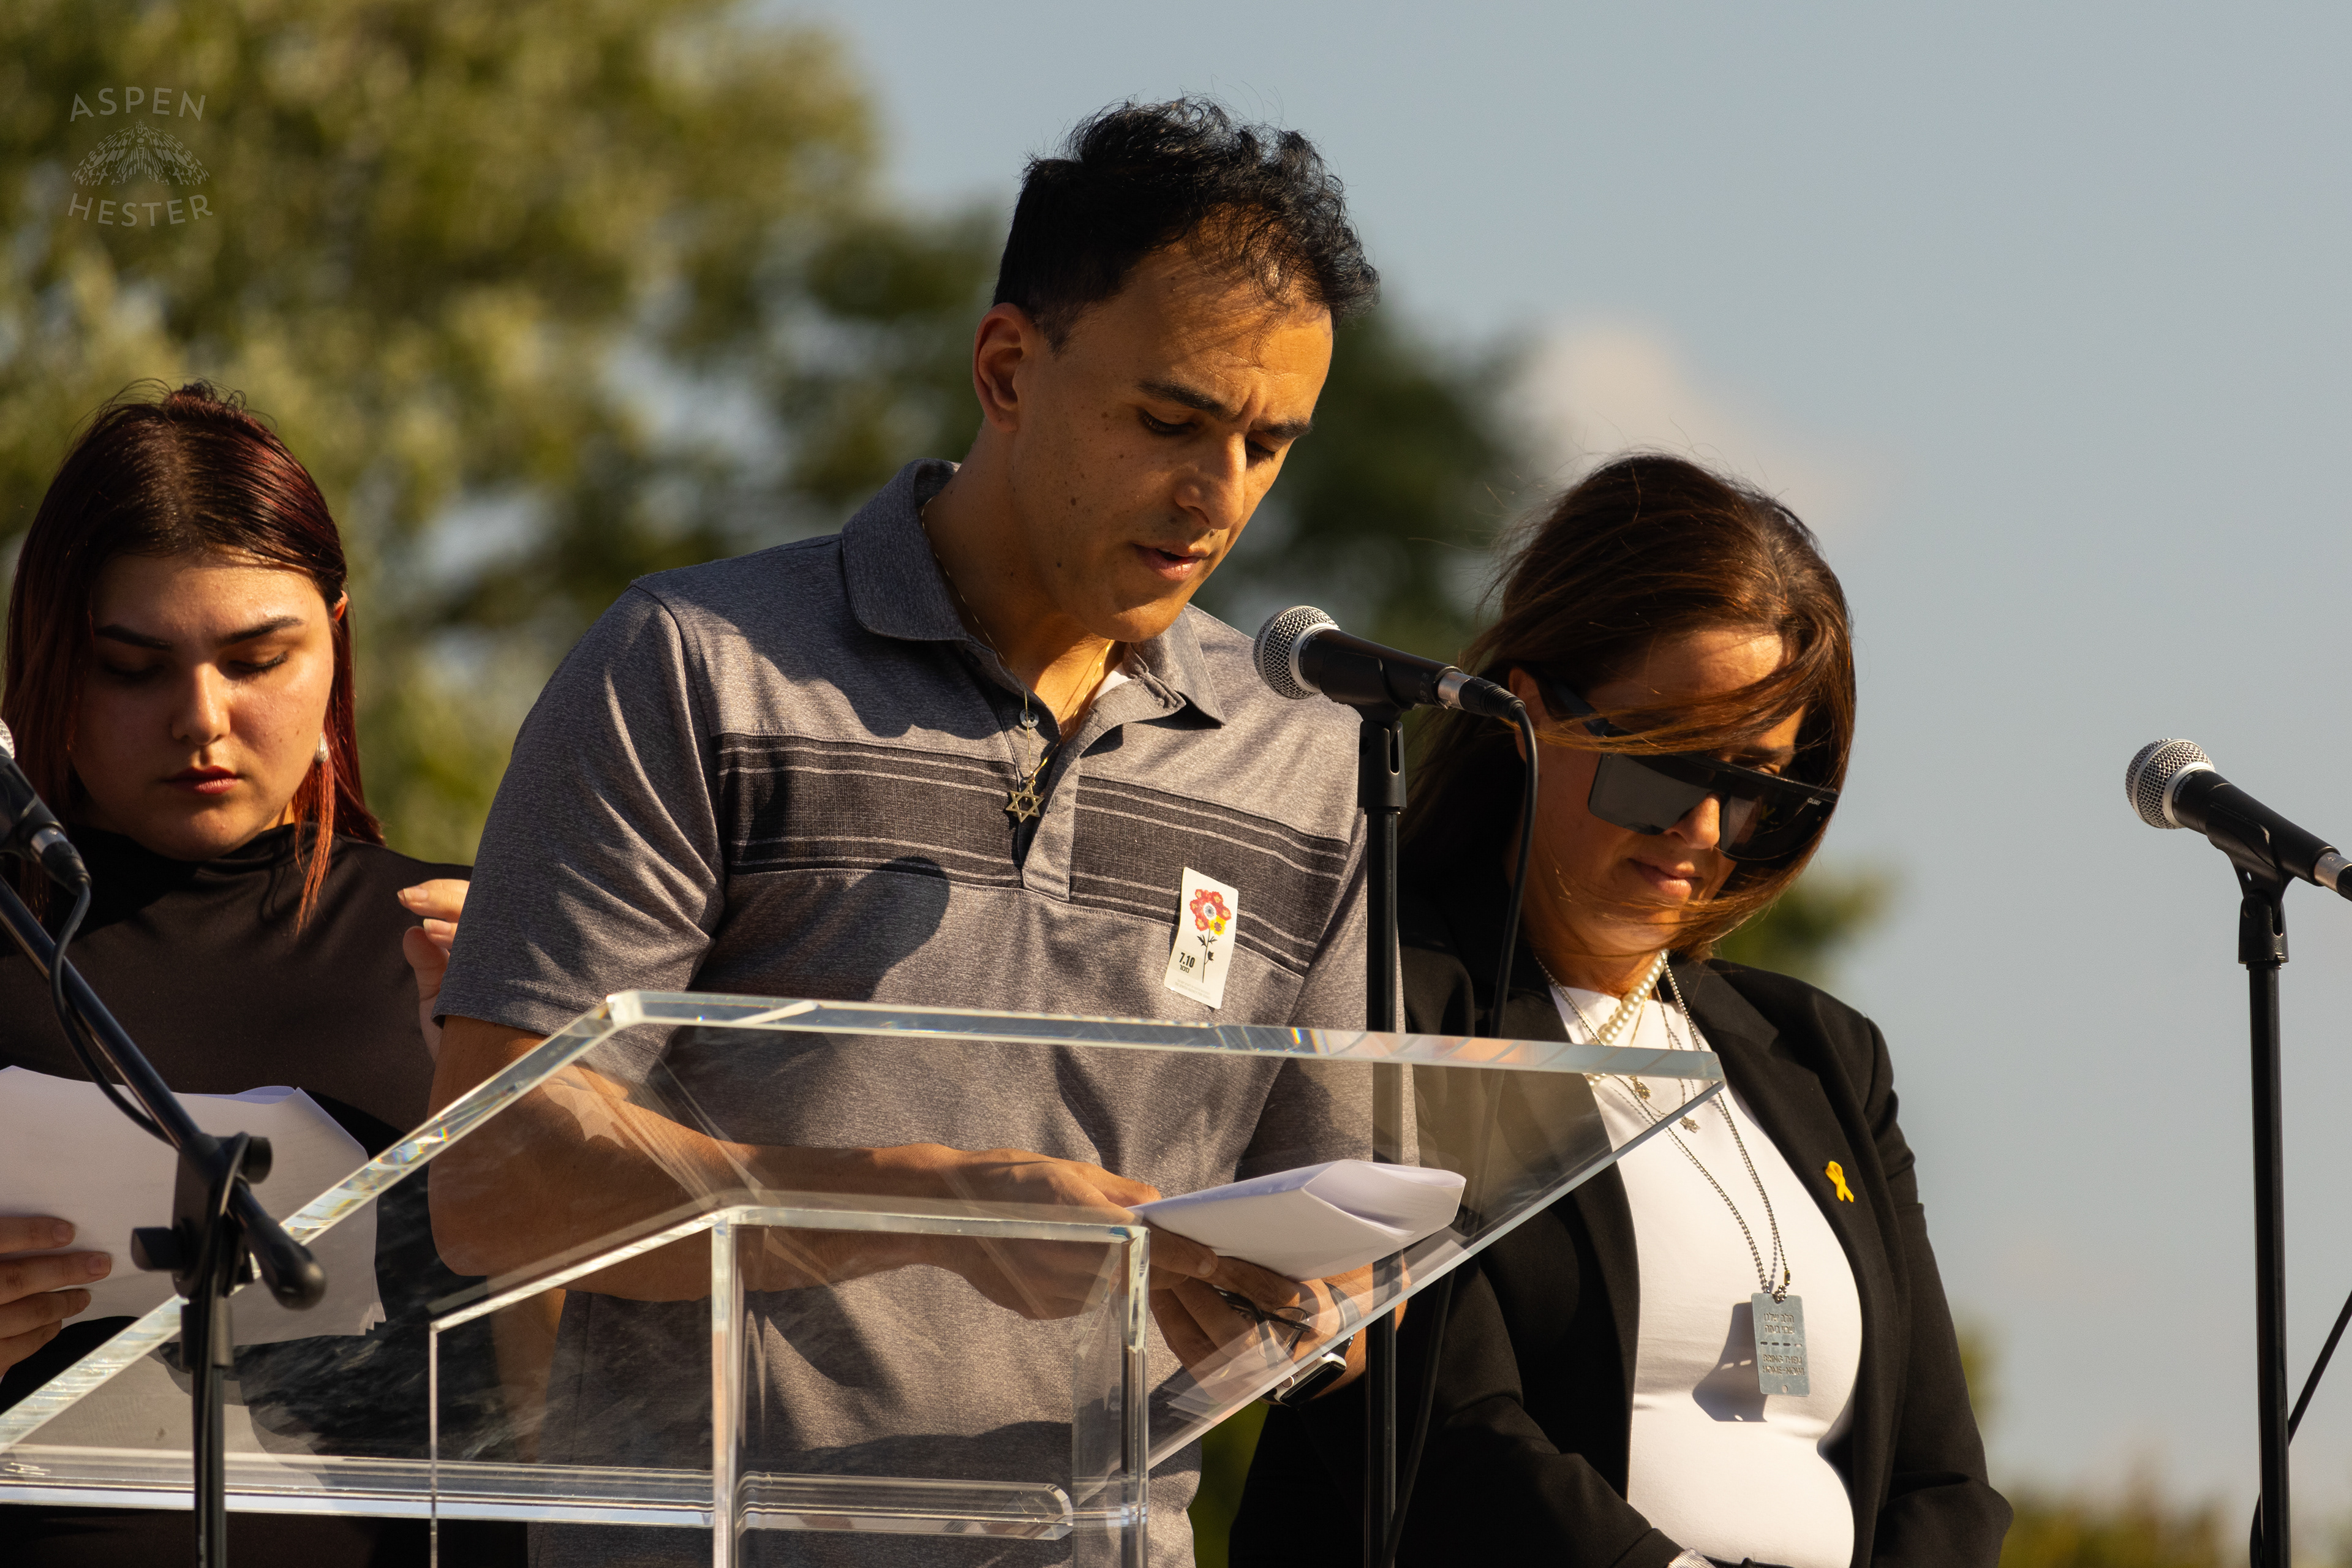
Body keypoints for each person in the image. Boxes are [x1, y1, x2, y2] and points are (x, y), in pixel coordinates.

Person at [426, 99, 1384, 1564]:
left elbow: (1336, 1277)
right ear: (1007, 367)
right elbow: (496, 1177)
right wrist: (939, 1205)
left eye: (1272, 444)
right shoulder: (696, 660)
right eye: (1172, 420)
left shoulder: (1310, 758)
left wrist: (1292, 1301)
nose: (1219, 495)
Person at [1233, 455, 2009, 1567]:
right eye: (1661, 765)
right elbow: (1438, 1424)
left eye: (1755, 784)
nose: (1702, 826)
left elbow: (1942, 1477)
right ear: (1530, 712)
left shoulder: (1826, 1057)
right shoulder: (1384, 995)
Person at [0, 382, 503, 1564]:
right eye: (132, 667)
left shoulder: (467, 944)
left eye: (257, 657)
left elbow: (611, 1344)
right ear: (49, 660)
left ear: (337, 638)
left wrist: (524, 1090)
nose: (203, 719)